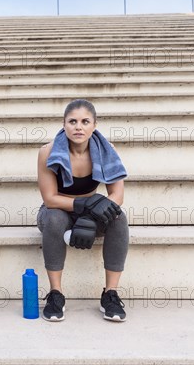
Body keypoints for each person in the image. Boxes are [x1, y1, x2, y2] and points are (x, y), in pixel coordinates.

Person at [36, 99, 129, 322]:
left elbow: (117, 196)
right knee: (55, 219)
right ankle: (56, 294)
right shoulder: (48, 152)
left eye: (85, 121)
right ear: (64, 124)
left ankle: (110, 294)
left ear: (94, 125)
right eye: (73, 121)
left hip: (91, 212)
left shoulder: (108, 151)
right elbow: (50, 199)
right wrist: (85, 204)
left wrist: (92, 212)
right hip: (57, 210)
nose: (78, 127)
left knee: (119, 218)